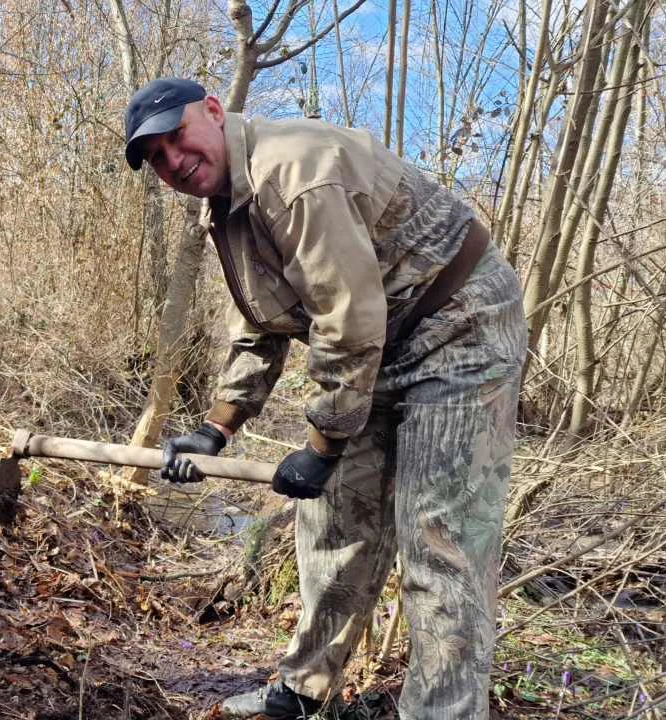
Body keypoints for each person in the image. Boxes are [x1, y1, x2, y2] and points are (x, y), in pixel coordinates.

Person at [123, 77, 529, 720]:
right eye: (156, 157)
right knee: (334, 518)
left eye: (176, 138)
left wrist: (323, 442)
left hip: (461, 326)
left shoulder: (294, 170)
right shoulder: (227, 205)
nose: (173, 161)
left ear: (211, 111)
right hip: (383, 344)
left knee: (439, 540)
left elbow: (346, 319)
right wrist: (217, 428)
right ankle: (303, 690)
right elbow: (261, 320)